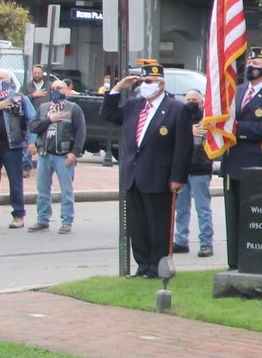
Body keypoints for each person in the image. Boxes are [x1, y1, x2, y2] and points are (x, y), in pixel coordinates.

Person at [100, 62, 192, 278]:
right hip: (133, 175)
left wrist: (177, 176)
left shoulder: (176, 108)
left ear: (161, 84)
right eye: (142, 82)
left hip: (159, 175)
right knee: (138, 224)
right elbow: (108, 114)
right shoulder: (135, 105)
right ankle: (142, 265)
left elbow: (183, 146)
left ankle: (157, 267)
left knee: (158, 224)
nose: (145, 86)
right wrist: (116, 89)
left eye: (149, 82)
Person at [221, 45, 262, 269]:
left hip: (256, 164)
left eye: (257, 65)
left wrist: (236, 128)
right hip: (232, 163)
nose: (251, 67)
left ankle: (254, 262)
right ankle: (234, 262)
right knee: (233, 218)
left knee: (254, 218)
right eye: (250, 63)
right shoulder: (238, 91)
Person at [27, 79, 87, 234]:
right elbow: (33, 127)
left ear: (65, 90)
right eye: (53, 88)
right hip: (45, 154)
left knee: (66, 189)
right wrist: (49, 120)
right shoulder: (43, 108)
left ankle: (67, 220)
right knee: (42, 189)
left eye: (59, 88)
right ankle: (42, 219)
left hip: (63, 155)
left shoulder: (73, 109)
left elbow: (81, 132)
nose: (55, 91)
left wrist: (74, 153)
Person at [172, 89, 215, 258]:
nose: (191, 102)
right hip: (182, 170)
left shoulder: (208, 119)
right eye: (188, 99)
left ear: (202, 102)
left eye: (195, 99)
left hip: (200, 168)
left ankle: (206, 242)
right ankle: (181, 240)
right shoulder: (181, 118)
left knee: (202, 208)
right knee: (181, 208)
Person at [0, 68, 36, 228]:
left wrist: (32, 142)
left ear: (10, 80)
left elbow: (32, 121)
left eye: (2, 78)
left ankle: (18, 215)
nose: (0, 81)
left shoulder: (20, 98)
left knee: (15, 182)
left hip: (13, 148)